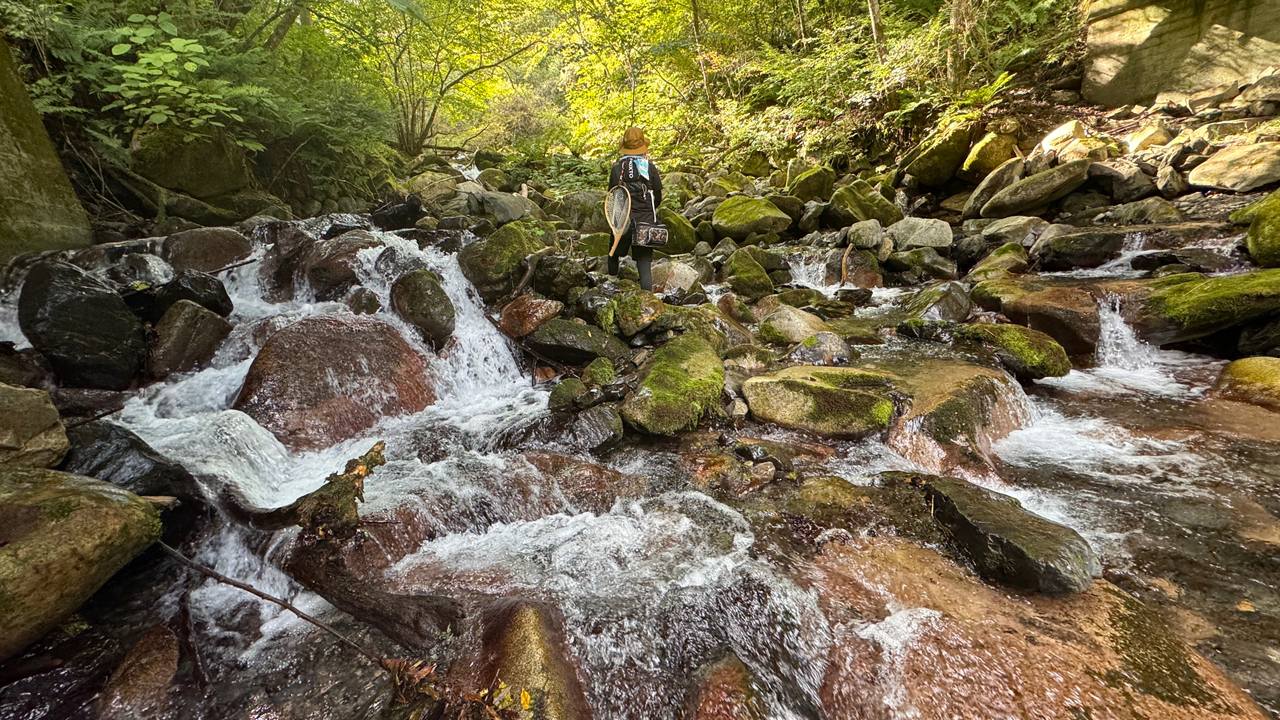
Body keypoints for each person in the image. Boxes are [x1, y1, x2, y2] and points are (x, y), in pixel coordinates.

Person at [607, 127, 663, 292]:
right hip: (645, 221)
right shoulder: (650, 168)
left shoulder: (617, 169)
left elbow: (612, 196)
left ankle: (611, 290)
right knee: (644, 265)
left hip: (622, 221)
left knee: (613, 255)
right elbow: (657, 198)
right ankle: (647, 303)